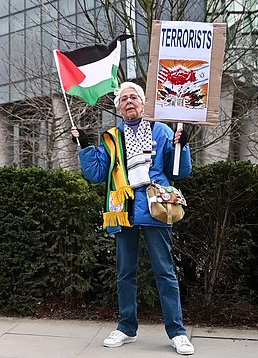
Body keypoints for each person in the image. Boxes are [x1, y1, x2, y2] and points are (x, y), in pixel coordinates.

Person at [71, 82, 195, 355]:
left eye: (134, 97)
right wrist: (84, 146)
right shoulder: (111, 137)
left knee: (164, 271)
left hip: (156, 205)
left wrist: (181, 147)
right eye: (124, 99)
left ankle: (177, 332)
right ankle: (127, 327)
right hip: (122, 208)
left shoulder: (162, 131)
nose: (129, 102)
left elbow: (179, 172)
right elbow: (96, 174)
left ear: (143, 102)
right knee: (125, 273)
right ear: (118, 108)